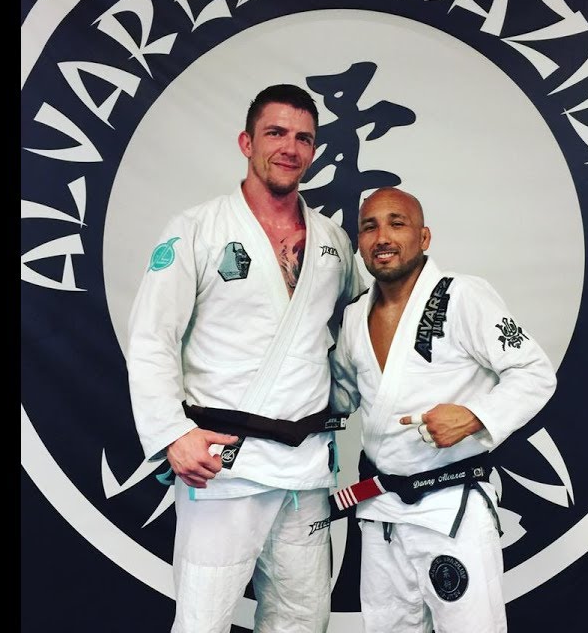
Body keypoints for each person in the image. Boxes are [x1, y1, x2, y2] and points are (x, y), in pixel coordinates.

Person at [125, 83, 362, 633]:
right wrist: (171, 432)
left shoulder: (332, 241)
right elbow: (152, 337)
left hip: (304, 467)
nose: (290, 148)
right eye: (276, 133)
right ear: (246, 142)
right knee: (203, 620)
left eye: (304, 138)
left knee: (303, 620)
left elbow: (355, 334)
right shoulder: (197, 229)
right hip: (222, 464)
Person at [328, 187, 557, 633]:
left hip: (451, 505)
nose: (382, 237)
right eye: (370, 227)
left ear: (424, 237)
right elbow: (339, 398)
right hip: (381, 511)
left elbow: (534, 372)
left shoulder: (464, 296)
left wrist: (475, 416)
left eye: (397, 223)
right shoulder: (355, 315)